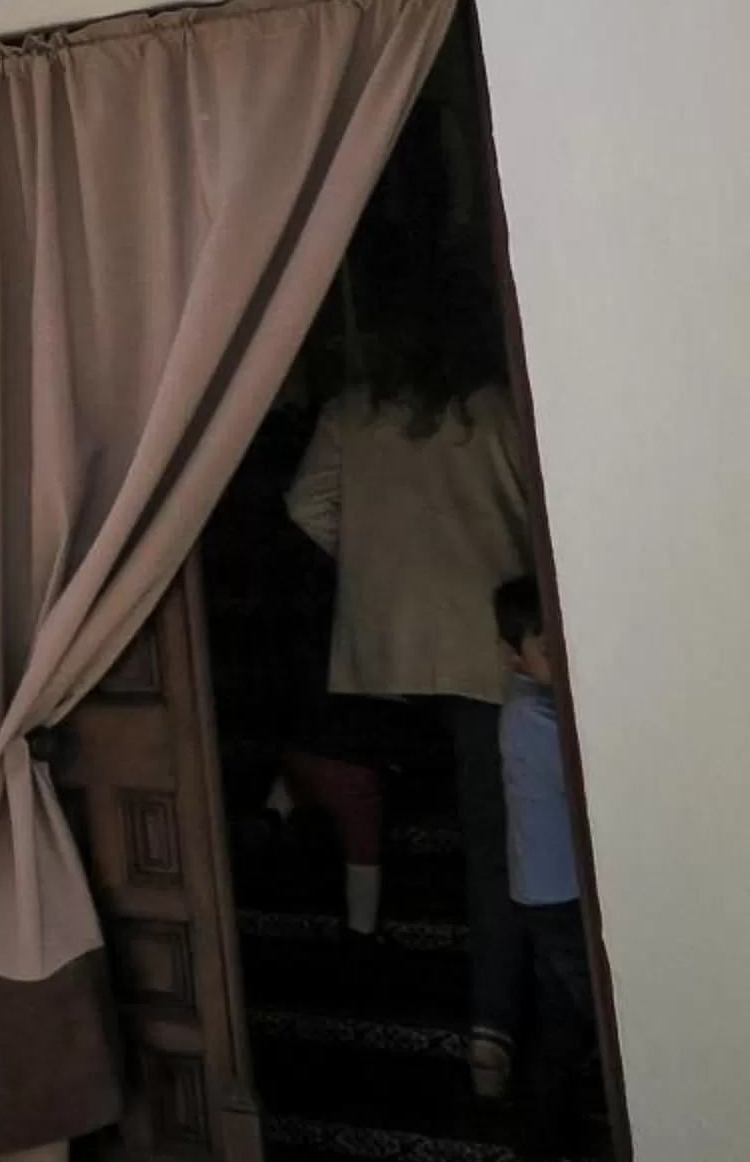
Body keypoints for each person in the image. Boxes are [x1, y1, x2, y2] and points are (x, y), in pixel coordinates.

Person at [284, 280, 530, 1096]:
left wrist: (373, 566)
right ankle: (490, 1032)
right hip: (483, 651)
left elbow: (306, 505)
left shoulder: (352, 414)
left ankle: (297, 818)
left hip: (383, 652)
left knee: (357, 756)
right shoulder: (497, 408)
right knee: (493, 843)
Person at [497, 576, 599, 1148]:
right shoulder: (533, 719)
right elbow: (583, 784)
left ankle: (544, 1136)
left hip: (547, 888)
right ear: (514, 654)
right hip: (555, 894)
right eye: (548, 648)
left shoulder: (539, 708)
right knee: (594, 1009)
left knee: (562, 1022)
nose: (562, 656)